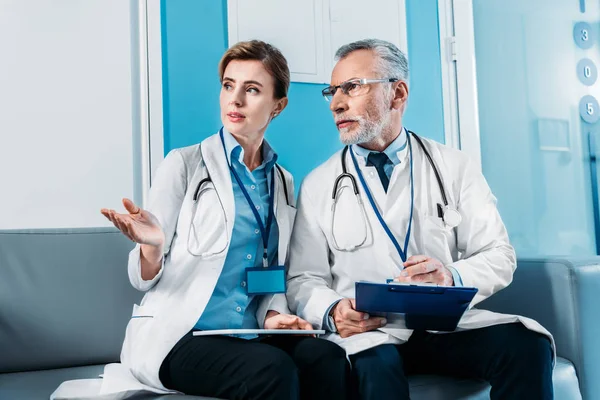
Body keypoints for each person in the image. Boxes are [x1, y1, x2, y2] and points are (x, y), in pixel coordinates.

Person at [285, 38, 554, 400]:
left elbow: (499, 254)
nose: (336, 103)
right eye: (331, 91)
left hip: (442, 329)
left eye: (353, 87)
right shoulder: (320, 184)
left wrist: (451, 276)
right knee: (375, 368)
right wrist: (333, 310)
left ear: (397, 94)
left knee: (526, 345)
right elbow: (304, 277)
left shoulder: (453, 166)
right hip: (371, 334)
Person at [92, 40, 349, 400]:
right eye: (228, 85)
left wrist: (275, 314)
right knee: (272, 371)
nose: (236, 99)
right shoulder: (183, 164)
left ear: (278, 105)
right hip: (180, 336)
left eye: (252, 89)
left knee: (327, 357)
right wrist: (151, 248)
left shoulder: (283, 183)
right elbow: (141, 279)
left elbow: (271, 271)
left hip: (249, 334)